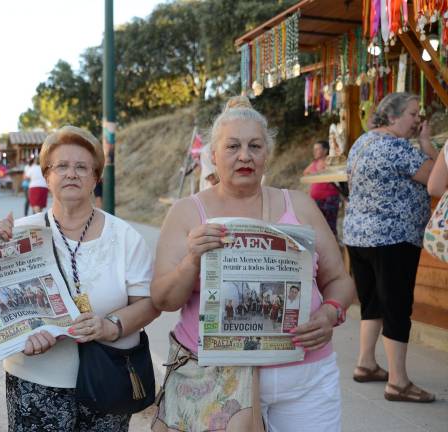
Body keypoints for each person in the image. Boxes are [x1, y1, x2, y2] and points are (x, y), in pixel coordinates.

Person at [151, 96, 354, 431]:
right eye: (232, 146)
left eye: (254, 146)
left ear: (266, 154)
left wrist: (331, 311)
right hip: (217, 378)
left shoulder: (299, 205)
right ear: (213, 156)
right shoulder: (188, 212)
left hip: (305, 376)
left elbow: (339, 280)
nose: (244, 155)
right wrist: (191, 260)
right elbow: (163, 299)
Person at [0, 125, 159, 431]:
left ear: (96, 177)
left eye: (82, 167)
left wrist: (110, 326)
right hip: (35, 377)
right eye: (62, 166)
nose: (71, 174)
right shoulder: (18, 234)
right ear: (47, 175)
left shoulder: (124, 237)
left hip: (109, 376)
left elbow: (149, 304)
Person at [344, 92, 437, 403]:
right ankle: (398, 383)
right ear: (394, 117)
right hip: (392, 239)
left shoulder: (363, 141)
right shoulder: (398, 148)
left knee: (372, 303)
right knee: (396, 307)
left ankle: (365, 363)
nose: (417, 120)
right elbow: (435, 179)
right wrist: (427, 144)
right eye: (413, 114)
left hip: (358, 237)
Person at [303, 140, 341, 236]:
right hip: (316, 200)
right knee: (317, 228)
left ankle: (334, 249)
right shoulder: (314, 163)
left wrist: (320, 173)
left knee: (330, 228)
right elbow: (305, 173)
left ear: (325, 150)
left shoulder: (330, 161)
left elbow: (337, 173)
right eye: (314, 149)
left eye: (317, 149)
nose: (314, 151)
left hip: (329, 199)